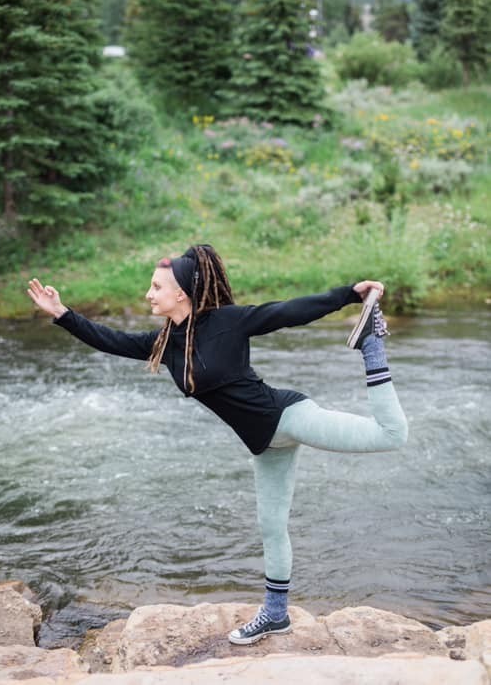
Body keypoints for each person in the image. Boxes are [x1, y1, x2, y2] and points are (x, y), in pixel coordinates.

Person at [27, 243, 408, 646]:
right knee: (272, 527)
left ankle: (371, 344)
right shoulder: (165, 341)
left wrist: (348, 294)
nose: (148, 295)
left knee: (391, 435)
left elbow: (286, 311)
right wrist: (63, 315)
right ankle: (276, 616)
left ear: (181, 294)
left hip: (289, 416)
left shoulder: (227, 322)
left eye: (156, 287)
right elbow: (110, 339)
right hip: (265, 443)